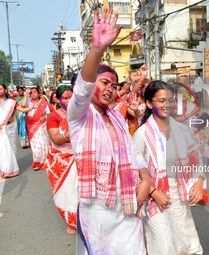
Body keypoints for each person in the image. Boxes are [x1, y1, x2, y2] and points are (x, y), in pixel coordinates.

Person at [67, 9, 151, 254]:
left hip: (127, 203)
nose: (110, 89)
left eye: (114, 86)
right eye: (104, 83)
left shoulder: (115, 116)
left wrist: (145, 178)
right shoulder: (79, 115)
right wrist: (97, 49)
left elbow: (133, 150)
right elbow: (83, 90)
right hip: (98, 212)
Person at [133, 81, 203, 255]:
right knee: (163, 246)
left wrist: (199, 182)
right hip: (155, 200)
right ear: (149, 103)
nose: (168, 105)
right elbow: (133, 172)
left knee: (186, 243)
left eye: (170, 101)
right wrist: (154, 192)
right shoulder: (142, 135)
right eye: (162, 101)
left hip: (180, 196)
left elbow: (197, 159)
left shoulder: (182, 130)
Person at [46, 85, 78, 234]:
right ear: (57, 99)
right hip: (60, 160)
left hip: (80, 157)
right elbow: (55, 138)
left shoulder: (81, 114)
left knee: (80, 192)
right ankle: (71, 222)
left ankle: (83, 221)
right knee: (67, 192)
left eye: (71, 97)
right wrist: (68, 135)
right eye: (65, 98)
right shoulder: (53, 117)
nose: (69, 100)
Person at [21, 87, 50, 170]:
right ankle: (37, 162)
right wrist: (26, 95)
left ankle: (44, 162)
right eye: (31, 93)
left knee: (43, 144)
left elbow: (48, 113)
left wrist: (44, 117)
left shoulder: (44, 102)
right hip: (31, 127)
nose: (33, 94)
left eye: (35, 92)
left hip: (42, 126)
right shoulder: (28, 103)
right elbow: (22, 106)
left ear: (39, 94)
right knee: (35, 146)